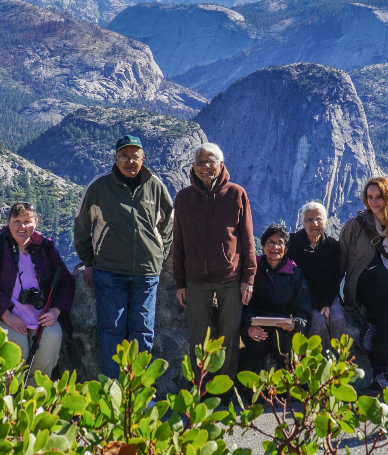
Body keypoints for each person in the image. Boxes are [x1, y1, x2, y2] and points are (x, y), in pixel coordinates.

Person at [74, 135, 175, 379]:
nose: (130, 161)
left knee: (143, 331)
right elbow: (81, 226)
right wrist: (89, 262)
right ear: (116, 159)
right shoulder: (99, 187)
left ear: (143, 158)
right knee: (111, 331)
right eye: (124, 156)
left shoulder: (155, 185)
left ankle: (137, 390)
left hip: (147, 272)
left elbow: (169, 222)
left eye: (135, 156)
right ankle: (113, 390)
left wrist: (160, 256)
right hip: (109, 271)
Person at [172, 143, 256, 381]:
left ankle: (225, 388)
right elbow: (178, 243)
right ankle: (200, 390)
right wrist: (180, 283)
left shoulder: (236, 194)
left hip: (230, 279)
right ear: (193, 167)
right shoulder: (184, 198)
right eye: (201, 162)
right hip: (196, 281)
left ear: (221, 165)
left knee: (229, 336)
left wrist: (248, 279)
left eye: (211, 162)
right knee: (198, 339)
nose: (206, 167)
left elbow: (248, 240)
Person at [0, 202, 75, 384]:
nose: (22, 226)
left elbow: (66, 280)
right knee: (18, 350)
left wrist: (55, 311)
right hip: (4, 316)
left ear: (36, 223)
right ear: (8, 223)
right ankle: (8, 401)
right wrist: (5, 313)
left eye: (27, 221)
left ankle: (34, 399)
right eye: (16, 221)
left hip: (41, 316)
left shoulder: (45, 247)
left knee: (52, 338)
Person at [339, 175, 388, 392]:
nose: (373, 202)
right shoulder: (356, 226)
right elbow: (341, 260)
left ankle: (379, 375)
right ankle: (371, 321)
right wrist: (334, 298)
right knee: (380, 275)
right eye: (369, 197)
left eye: (378, 197)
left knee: (387, 317)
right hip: (365, 284)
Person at [238, 224, 314, 377]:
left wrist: (295, 324)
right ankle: (252, 395)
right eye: (270, 243)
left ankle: (287, 393)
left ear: (286, 248)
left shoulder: (295, 273)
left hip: (285, 328)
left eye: (280, 243)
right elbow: (245, 304)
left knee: (283, 345)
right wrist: (248, 328)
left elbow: (303, 308)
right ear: (263, 246)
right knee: (256, 344)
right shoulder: (253, 271)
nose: (275, 247)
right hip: (258, 325)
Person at [288, 201, 346, 344]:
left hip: (329, 295)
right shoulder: (293, 244)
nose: (314, 223)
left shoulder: (332, 246)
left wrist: (326, 303)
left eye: (318, 219)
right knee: (318, 323)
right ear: (303, 223)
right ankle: (321, 364)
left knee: (338, 319)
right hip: (303, 299)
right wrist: (317, 305)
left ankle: (341, 362)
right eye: (309, 219)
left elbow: (337, 277)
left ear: (326, 222)